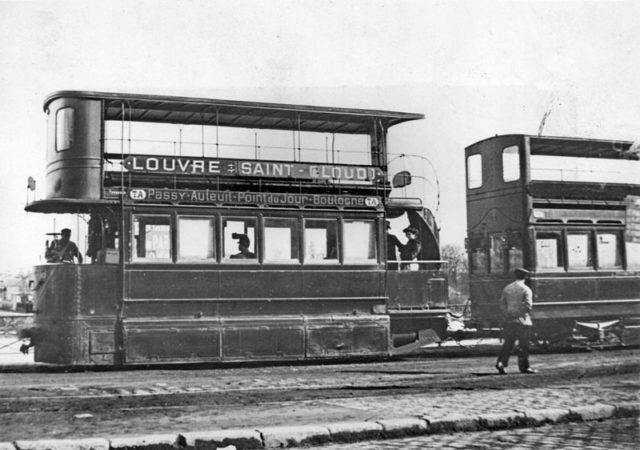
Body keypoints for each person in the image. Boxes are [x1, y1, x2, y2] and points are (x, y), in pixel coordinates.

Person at [495, 268, 536, 375]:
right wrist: (521, 315)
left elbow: (501, 303)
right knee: (524, 344)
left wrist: (508, 314)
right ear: (526, 277)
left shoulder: (507, 288)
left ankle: (501, 363)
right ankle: (524, 367)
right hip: (522, 320)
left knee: (508, 343)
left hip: (509, 319)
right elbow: (528, 306)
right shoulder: (526, 289)